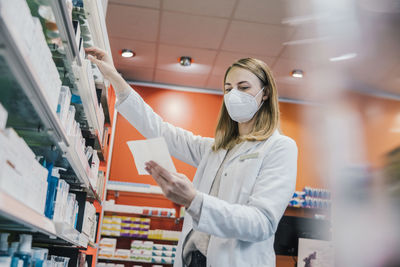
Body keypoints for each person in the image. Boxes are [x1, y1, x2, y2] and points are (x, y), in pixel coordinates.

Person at [86, 47, 298, 267]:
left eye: (243, 87)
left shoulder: (280, 147)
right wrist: (114, 77)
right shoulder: (216, 149)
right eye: (228, 88)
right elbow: (162, 131)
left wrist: (195, 201)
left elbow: (261, 223)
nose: (234, 94)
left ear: (265, 93)